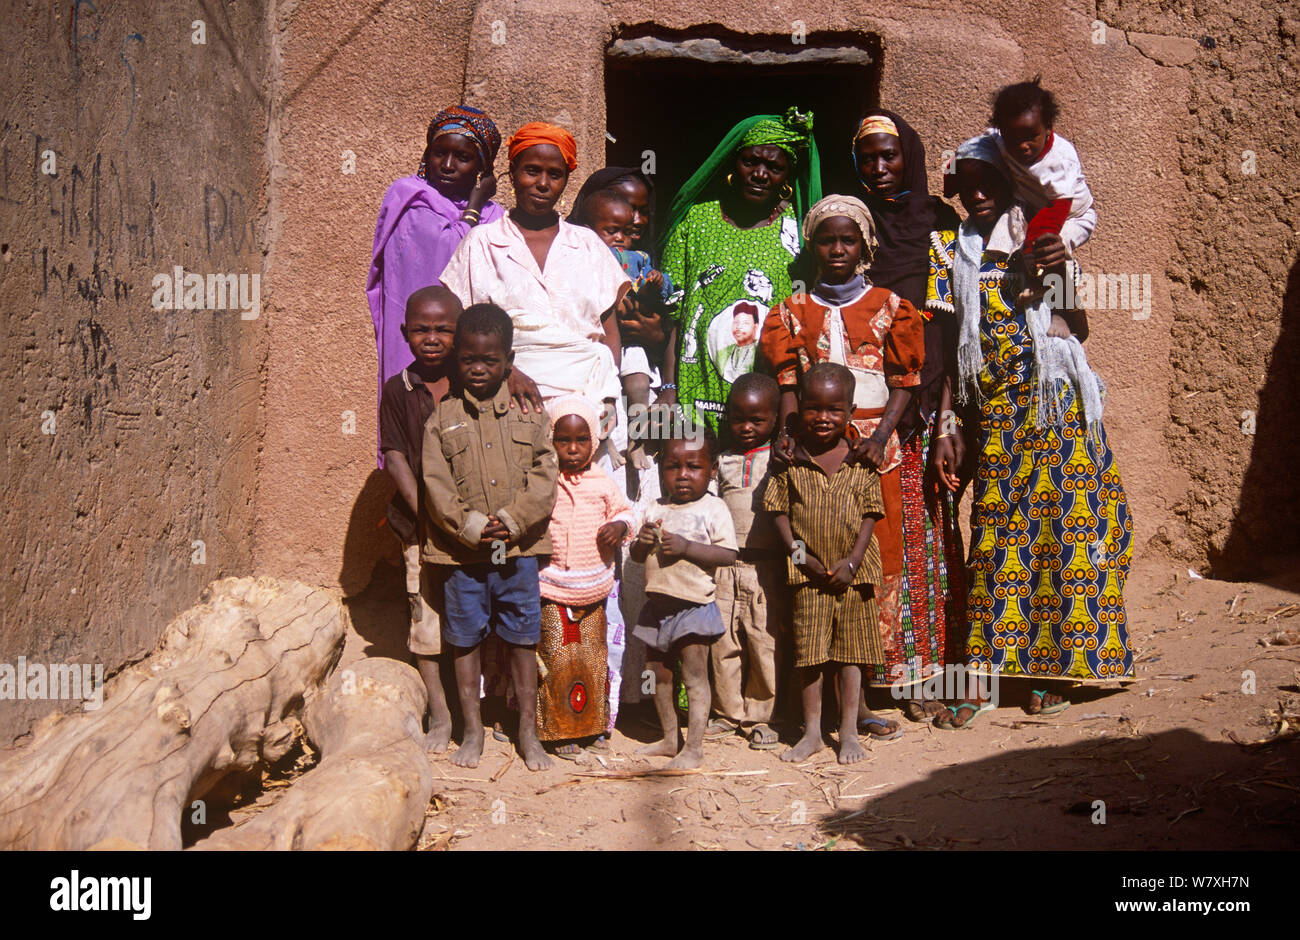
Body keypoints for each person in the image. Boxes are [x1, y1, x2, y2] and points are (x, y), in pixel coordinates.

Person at [926, 134, 1131, 729]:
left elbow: (1079, 327)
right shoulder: (950, 251)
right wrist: (945, 423)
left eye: (990, 181)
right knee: (996, 537)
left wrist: (1059, 266)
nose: (979, 193)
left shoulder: (1041, 241)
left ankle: (1050, 673)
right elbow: (948, 346)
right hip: (995, 415)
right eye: (968, 184)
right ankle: (983, 674)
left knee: (1064, 536)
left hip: (1058, 407)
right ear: (958, 190)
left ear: (1011, 183)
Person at [760, 195, 924, 740]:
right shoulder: (791, 310)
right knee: (817, 557)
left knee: (874, 559)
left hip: (876, 449)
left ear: (864, 246)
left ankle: (866, 697)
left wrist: (880, 437)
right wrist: (789, 432)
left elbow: (905, 380)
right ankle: (816, 703)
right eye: (827, 240)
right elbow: (788, 381)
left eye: (847, 240)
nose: (837, 249)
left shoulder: (891, 305)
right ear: (812, 245)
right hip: (815, 449)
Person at [851, 110, 968, 719]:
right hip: (861, 409)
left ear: (910, 158)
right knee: (869, 532)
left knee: (922, 536)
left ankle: (924, 672)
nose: (878, 167)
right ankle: (867, 673)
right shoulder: (852, 222)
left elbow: (947, 323)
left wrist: (946, 419)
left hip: (923, 406)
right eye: (867, 157)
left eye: (889, 156)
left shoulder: (938, 223)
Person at [421, 303, 558, 771]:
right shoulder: (443, 418)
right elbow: (434, 483)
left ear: (508, 360)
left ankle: (528, 733)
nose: (478, 370)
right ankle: (472, 731)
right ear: (456, 359)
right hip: (464, 555)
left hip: (517, 551)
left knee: (522, 637)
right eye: (468, 360)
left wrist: (513, 519)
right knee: (465, 639)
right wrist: (471, 526)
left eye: (490, 361)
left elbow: (545, 476)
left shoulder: (531, 415)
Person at [440, 121, 631, 411]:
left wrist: (606, 396)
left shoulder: (588, 245)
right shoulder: (482, 242)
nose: (543, 184)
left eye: (555, 175)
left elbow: (609, 332)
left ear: (566, 180)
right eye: (532, 171)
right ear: (513, 172)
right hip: (505, 396)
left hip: (586, 399)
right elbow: (463, 327)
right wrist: (506, 372)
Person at [659, 108, 822, 432]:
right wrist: (668, 388)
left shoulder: (798, 234)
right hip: (695, 398)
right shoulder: (696, 222)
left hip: (769, 409)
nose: (760, 174)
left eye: (774, 167)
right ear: (734, 164)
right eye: (751, 162)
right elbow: (672, 316)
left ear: (787, 176)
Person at [367, 105, 503, 464]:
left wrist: (478, 208)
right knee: (413, 430)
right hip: (416, 342)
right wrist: (474, 204)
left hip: (467, 344)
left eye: (463, 157)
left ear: (482, 167)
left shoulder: (497, 216)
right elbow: (452, 249)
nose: (447, 164)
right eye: (439, 152)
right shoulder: (408, 198)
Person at [764, 363, 886, 764]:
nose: (823, 418)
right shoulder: (789, 462)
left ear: (851, 410)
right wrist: (804, 561)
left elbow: (871, 515)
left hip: (854, 576)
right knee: (810, 654)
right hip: (807, 578)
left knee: (851, 655)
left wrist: (851, 563)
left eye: (834, 410)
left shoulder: (862, 460)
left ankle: (849, 731)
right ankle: (813, 732)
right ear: (799, 409)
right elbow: (778, 514)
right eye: (814, 408)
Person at [378, 286, 462, 752]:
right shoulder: (398, 390)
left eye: (443, 329)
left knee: (468, 620)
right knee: (426, 623)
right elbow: (394, 455)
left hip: (470, 531)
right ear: (406, 332)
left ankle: (475, 714)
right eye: (421, 329)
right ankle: (442, 718)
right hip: (420, 530)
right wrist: (425, 513)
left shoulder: (473, 383)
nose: (432, 338)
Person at [630, 427, 738, 769]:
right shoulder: (655, 507)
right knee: (659, 675)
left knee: (694, 677)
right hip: (656, 608)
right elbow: (635, 556)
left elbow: (728, 555)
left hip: (693, 607)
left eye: (693, 466)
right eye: (673, 467)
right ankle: (669, 738)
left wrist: (688, 548)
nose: (682, 476)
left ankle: (694, 748)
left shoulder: (714, 508)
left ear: (712, 469)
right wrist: (643, 541)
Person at [536, 396, 638, 758]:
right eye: (564, 440)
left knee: (593, 659)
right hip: (551, 587)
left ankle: (592, 725)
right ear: (551, 440)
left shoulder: (602, 482)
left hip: (594, 588)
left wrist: (620, 525)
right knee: (558, 659)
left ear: (594, 441)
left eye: (582, 440)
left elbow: (629, 512)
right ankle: (560, 731)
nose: (573, 449)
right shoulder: (544, 481)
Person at [707, 373, 787, 750]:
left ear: (774, 419)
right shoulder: (721, 461)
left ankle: (761, 715)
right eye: (738, 418)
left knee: (763, 643)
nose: (747, 427)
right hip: (724, 567)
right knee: (723, 644)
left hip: (764, 570)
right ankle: (727, 712)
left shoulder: (779, 460)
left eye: (758, 420)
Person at [956, 78, 1096, 267]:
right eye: (1013, 138)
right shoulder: (1000, 139)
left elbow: (1057, 210)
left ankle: (1040, 282)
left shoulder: (1060, 160)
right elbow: (966, 152)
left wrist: (1033, 244)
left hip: (1072, 214)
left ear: (1048, 127)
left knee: (1048, 250)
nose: (1022, 146)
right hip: (1033, 205)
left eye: (1031, 137)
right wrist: (950, 176)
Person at [568, 165, 658, 251]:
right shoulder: (568, 253)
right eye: (629, 209)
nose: (639, 221)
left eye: (644, 212)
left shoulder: (644, 261)